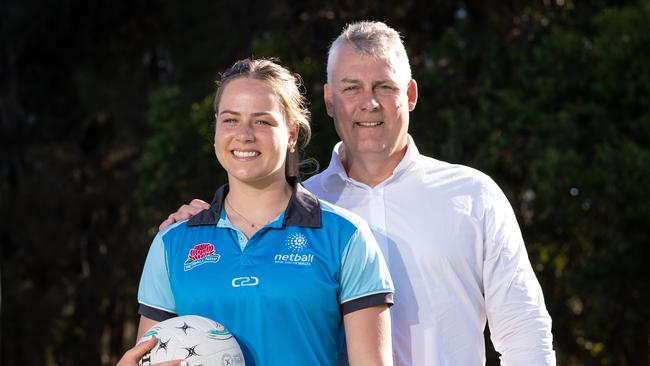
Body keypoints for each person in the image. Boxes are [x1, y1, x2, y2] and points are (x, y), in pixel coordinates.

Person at [162, 22, 556, 365]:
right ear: (330, 100)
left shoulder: (473, 196)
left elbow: (523, 328)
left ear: (411, 95)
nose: (369, 103)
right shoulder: (296, 210)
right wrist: (201, 226)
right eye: (351, 88)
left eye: (384, 87)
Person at [120, 58, 394, 366]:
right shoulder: (172, 243)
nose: (244, 134)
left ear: (291, 134)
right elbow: (149, 357)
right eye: (231, 120)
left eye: (262, 121)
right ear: (215, 133)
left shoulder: (346, 236)